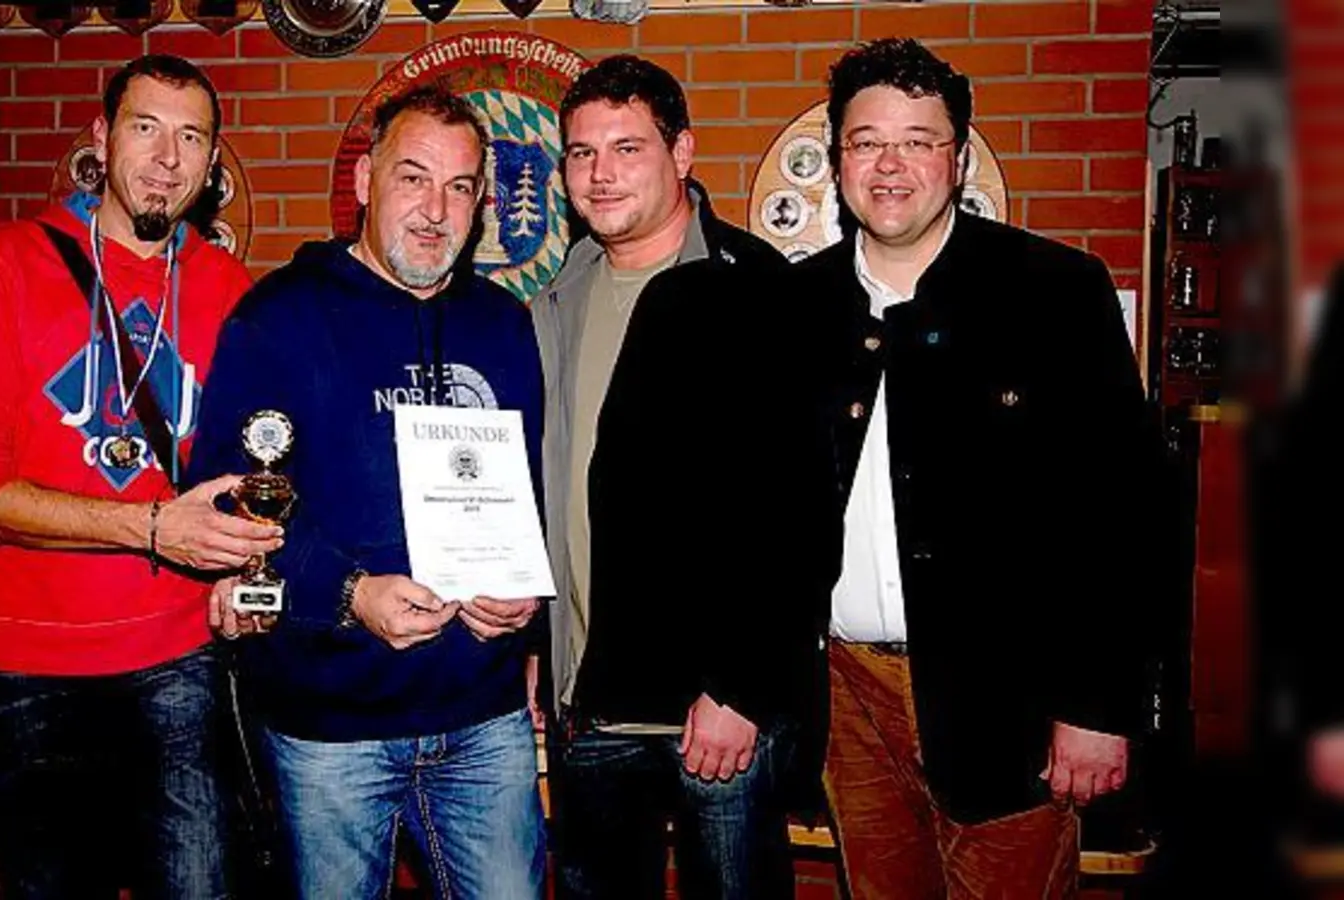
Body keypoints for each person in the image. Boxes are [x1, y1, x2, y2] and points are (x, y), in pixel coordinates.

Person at [797, 38, 1162, 897]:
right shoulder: (797, 306)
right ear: (837, 158)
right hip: (847, 697)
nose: (890, 165)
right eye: (867, 140)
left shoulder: (1054, 292)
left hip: (1012, 701)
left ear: (958, 159)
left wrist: (1101, 710)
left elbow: (1126, 513)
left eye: (918, 141)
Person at [190, 84, 547, 899]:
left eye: (461, 188)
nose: (436, 210)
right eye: (414, 178)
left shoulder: (504, 323)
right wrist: (351, 593)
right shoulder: (276, 319)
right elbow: (234, 498)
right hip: (330, 729)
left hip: (482, 718)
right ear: (363, 182)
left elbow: (527, 489)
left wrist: (527, 601)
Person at [0, 54, 267, 898]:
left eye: (191, 138)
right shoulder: (6, 263)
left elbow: (244, 469)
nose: (166, 157)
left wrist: (244, 564)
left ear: (213, 165)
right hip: (23, 667)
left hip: (176, 656)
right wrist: (149, 526)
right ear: (100, 139)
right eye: (145, 128)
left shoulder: (229, 287)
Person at [531, 54, 832, 900]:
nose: (600, 173)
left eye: (627, 148)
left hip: (714, 715)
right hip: (587, 703)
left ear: (683, 152)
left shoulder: (762, 293)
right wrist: (538, 648)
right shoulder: (560, 297)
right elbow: (552, 489)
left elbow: (803, 515)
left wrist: (740, 688)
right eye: (581, 153)